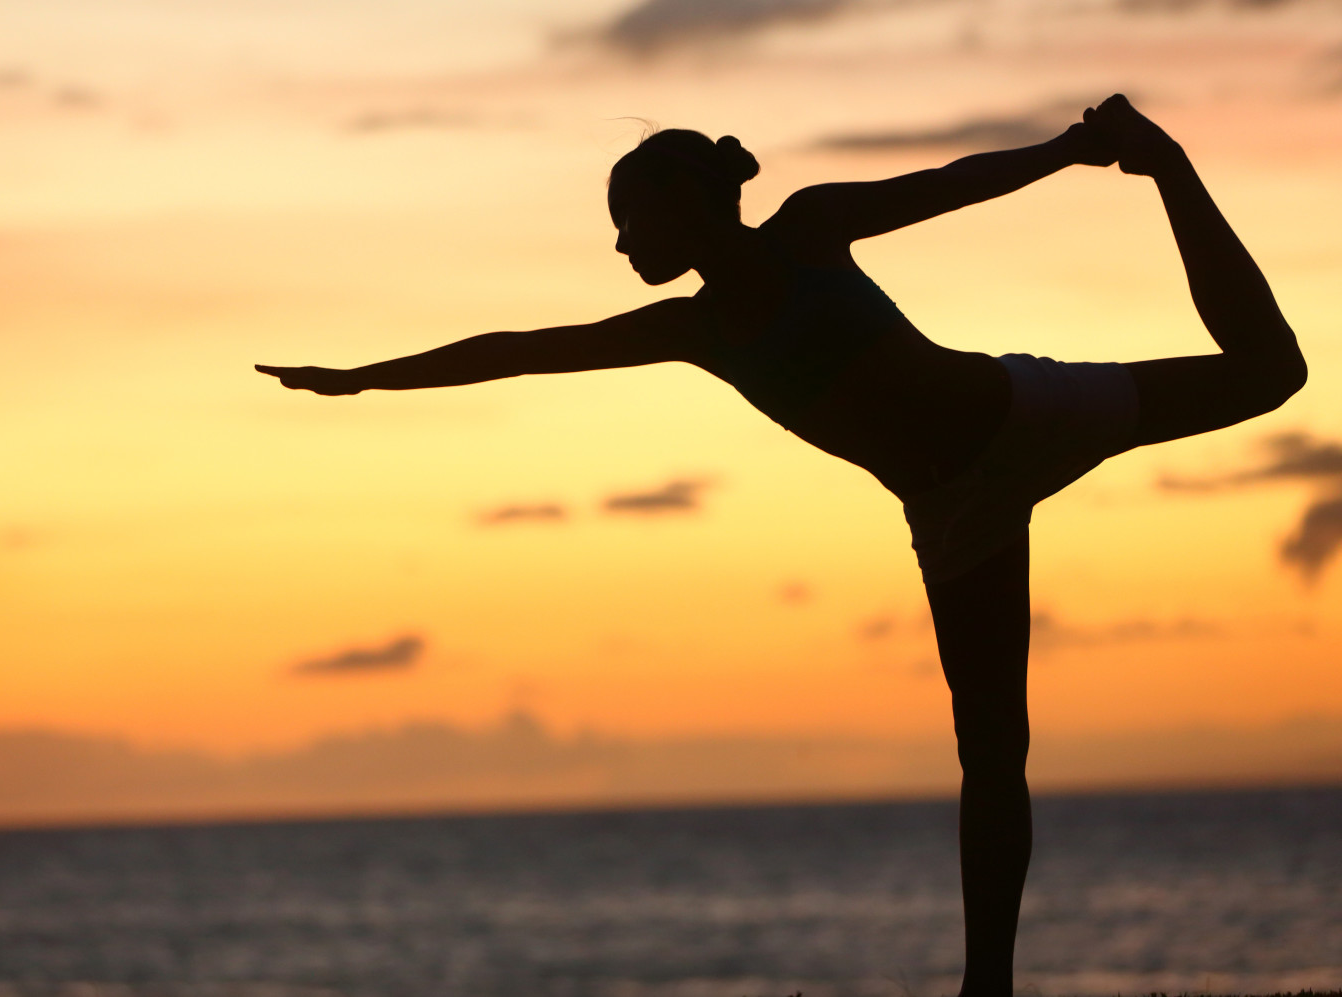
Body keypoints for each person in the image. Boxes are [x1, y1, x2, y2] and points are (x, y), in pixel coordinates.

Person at [255, 94, 1305, 996]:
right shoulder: (690, 331)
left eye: (629, 218)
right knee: (990, 751)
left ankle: (1166, 162)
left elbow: (950, 182)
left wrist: (1072, 152)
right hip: (949, 515)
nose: (621, 245)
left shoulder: (807, 230)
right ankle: (987, 988)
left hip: (1021, 414)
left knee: (1270, 372)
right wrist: (363, 379)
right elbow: (523, 352)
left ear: (688, 202)